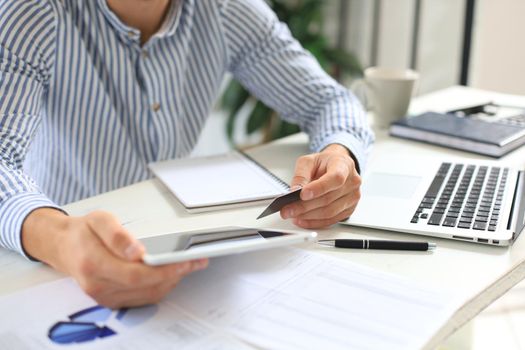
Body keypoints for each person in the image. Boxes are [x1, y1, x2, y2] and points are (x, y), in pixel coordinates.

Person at [0, 0, 374, 308]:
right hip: (53, 262)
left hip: (178, 251)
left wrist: (339, 154)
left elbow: (329, 101)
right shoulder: (32, 12)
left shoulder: (227, 9)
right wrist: (60, 237)